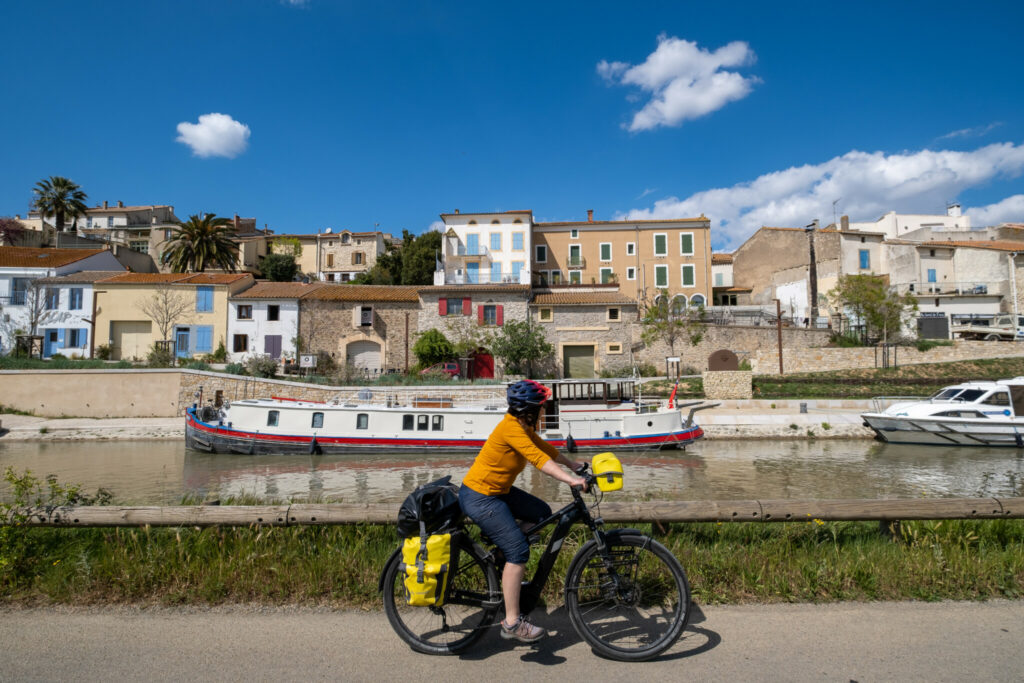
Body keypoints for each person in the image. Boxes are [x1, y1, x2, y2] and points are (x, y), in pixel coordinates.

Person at [459, 379, 586, 643]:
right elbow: (538, 460)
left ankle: (504, 557)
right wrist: (571, 480)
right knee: (519, 551)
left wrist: (572, 464)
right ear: (528, 409)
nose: (543, 411)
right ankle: (512, 622)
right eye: (541, 407)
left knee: (541, 513)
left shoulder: (522, 427)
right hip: (480, 496)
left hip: (498, 491)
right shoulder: (511, 429)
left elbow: (543, 448)